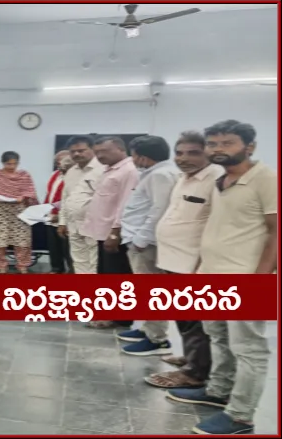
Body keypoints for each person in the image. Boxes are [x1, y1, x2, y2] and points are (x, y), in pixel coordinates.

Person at [167, 120, 276, 435]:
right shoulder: (222, 180)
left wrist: (260, 280)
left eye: (227, 143)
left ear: (249, 147)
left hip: (245, 278)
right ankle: (218, 390)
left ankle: (241, 416)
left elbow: (276, 232)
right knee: (219, 338)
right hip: (212, 275)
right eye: (213, 144)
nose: (218, 149)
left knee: (249, 349)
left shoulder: (266, 179)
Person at [144, 131, 223, 390]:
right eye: (179, 153)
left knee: (195, 321)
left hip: (192, 264)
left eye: (193, 153)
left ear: (207, 153)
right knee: (185, 318)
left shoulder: (216, 179)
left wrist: (202, 265)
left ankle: (195, 372)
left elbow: (217, 226)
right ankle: (192, 358)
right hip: (173, 260)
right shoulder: (184, 178)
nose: (183, 158)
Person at [114, 135, 180, 356]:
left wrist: (141, 239)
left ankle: (157, 340)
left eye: (133, 155)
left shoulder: (161, 175)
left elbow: (159, 209)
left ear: (142, 157)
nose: (132, 160)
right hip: (142, 240)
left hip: (146, 243)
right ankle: (148, 329)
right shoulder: (156, 173)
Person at [80, 136, 139, 330]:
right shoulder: (110, 170)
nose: (100, 156)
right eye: (97, 152)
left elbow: (126, 204)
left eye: (104, 151)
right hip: (102, 232)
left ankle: (117, 317)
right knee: (106, 275)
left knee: (116, 277)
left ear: (121, 149)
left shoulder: (129, 171)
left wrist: (115, 233)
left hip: (113, 234)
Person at [0, 151, 39, 273]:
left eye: (15, 164)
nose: (12, 167)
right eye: (8, 164)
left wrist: (23, 197)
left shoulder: (24, 175)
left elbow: (30, 192)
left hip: (19, 211)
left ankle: (22, 265)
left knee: (22, 239)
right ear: (3, 163)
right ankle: (1, 265)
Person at [57, 136, 104, 274]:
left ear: (93, 149)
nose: (77, 154)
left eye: (81, 150)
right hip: (74, 224)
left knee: (95, 261)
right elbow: (66, 198)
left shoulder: (103, 169)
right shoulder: (71, 171)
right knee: (78, 260)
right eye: (73, 151)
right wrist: (62, 222)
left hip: (95, 224)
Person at [45, 151, 73, 274]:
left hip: (66, 217)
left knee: (67, 247)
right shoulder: (55, 174)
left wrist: (60, 215)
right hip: (51, 215)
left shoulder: (74, 176)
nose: (59, 164)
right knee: (53, 246)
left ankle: (72, 271)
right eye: (57, 162)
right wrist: (44, 209)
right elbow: (50, 193)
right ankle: (56, 268)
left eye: (61, 161)